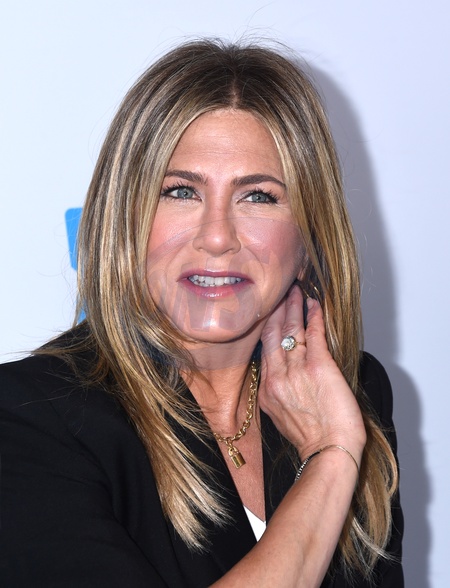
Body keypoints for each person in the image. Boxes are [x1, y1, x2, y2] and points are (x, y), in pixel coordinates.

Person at [0, 39, 403, 587]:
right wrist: (331, 456)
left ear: (309, 237)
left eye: (258, 197)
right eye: (181, 191)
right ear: (125, 218)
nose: (217, 237)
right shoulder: (32, 415)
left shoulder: (351, 389)